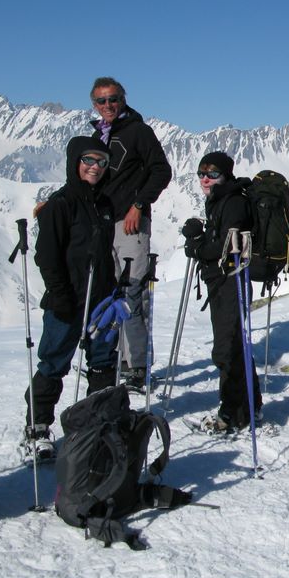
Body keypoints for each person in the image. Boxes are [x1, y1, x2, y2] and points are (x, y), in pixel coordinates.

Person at [23, 136, 120, 460]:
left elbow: (105, 254)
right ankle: (37, 429)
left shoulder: (104, 205)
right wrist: (61, 295)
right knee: (53, 362)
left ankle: (97, 424)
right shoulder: (60, 204)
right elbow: (47, 256)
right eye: (88, 160)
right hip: (68, 300)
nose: (95, 167)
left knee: (103, 364)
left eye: (101, 162)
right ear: (75, 162)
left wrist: (114, 291)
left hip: (102, 299)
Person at [89, 77, 172, 391]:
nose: (108, 105)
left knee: (131, 292)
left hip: (130, 225)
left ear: (122, 99)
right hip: (102, 225)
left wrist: (139, 204)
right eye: (101, 101)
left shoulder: (138, 132)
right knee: (108, 294)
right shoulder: (98, 136)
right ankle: (114, 359)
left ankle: (136, 366)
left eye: (113, 99)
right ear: (94, 104)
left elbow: (161, 170)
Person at [181, 152, 262, 433]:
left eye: (213, 173)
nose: (206, 178)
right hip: (224, 280)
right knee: (235, 345)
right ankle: (249, 406)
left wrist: (199, 247)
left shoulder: (233, 201)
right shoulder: (220, 199)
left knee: (227, 348)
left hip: (232, 280)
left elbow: (229, 244)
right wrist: (200, 239)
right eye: (202, 172)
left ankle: (233, 413)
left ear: (225, 174)